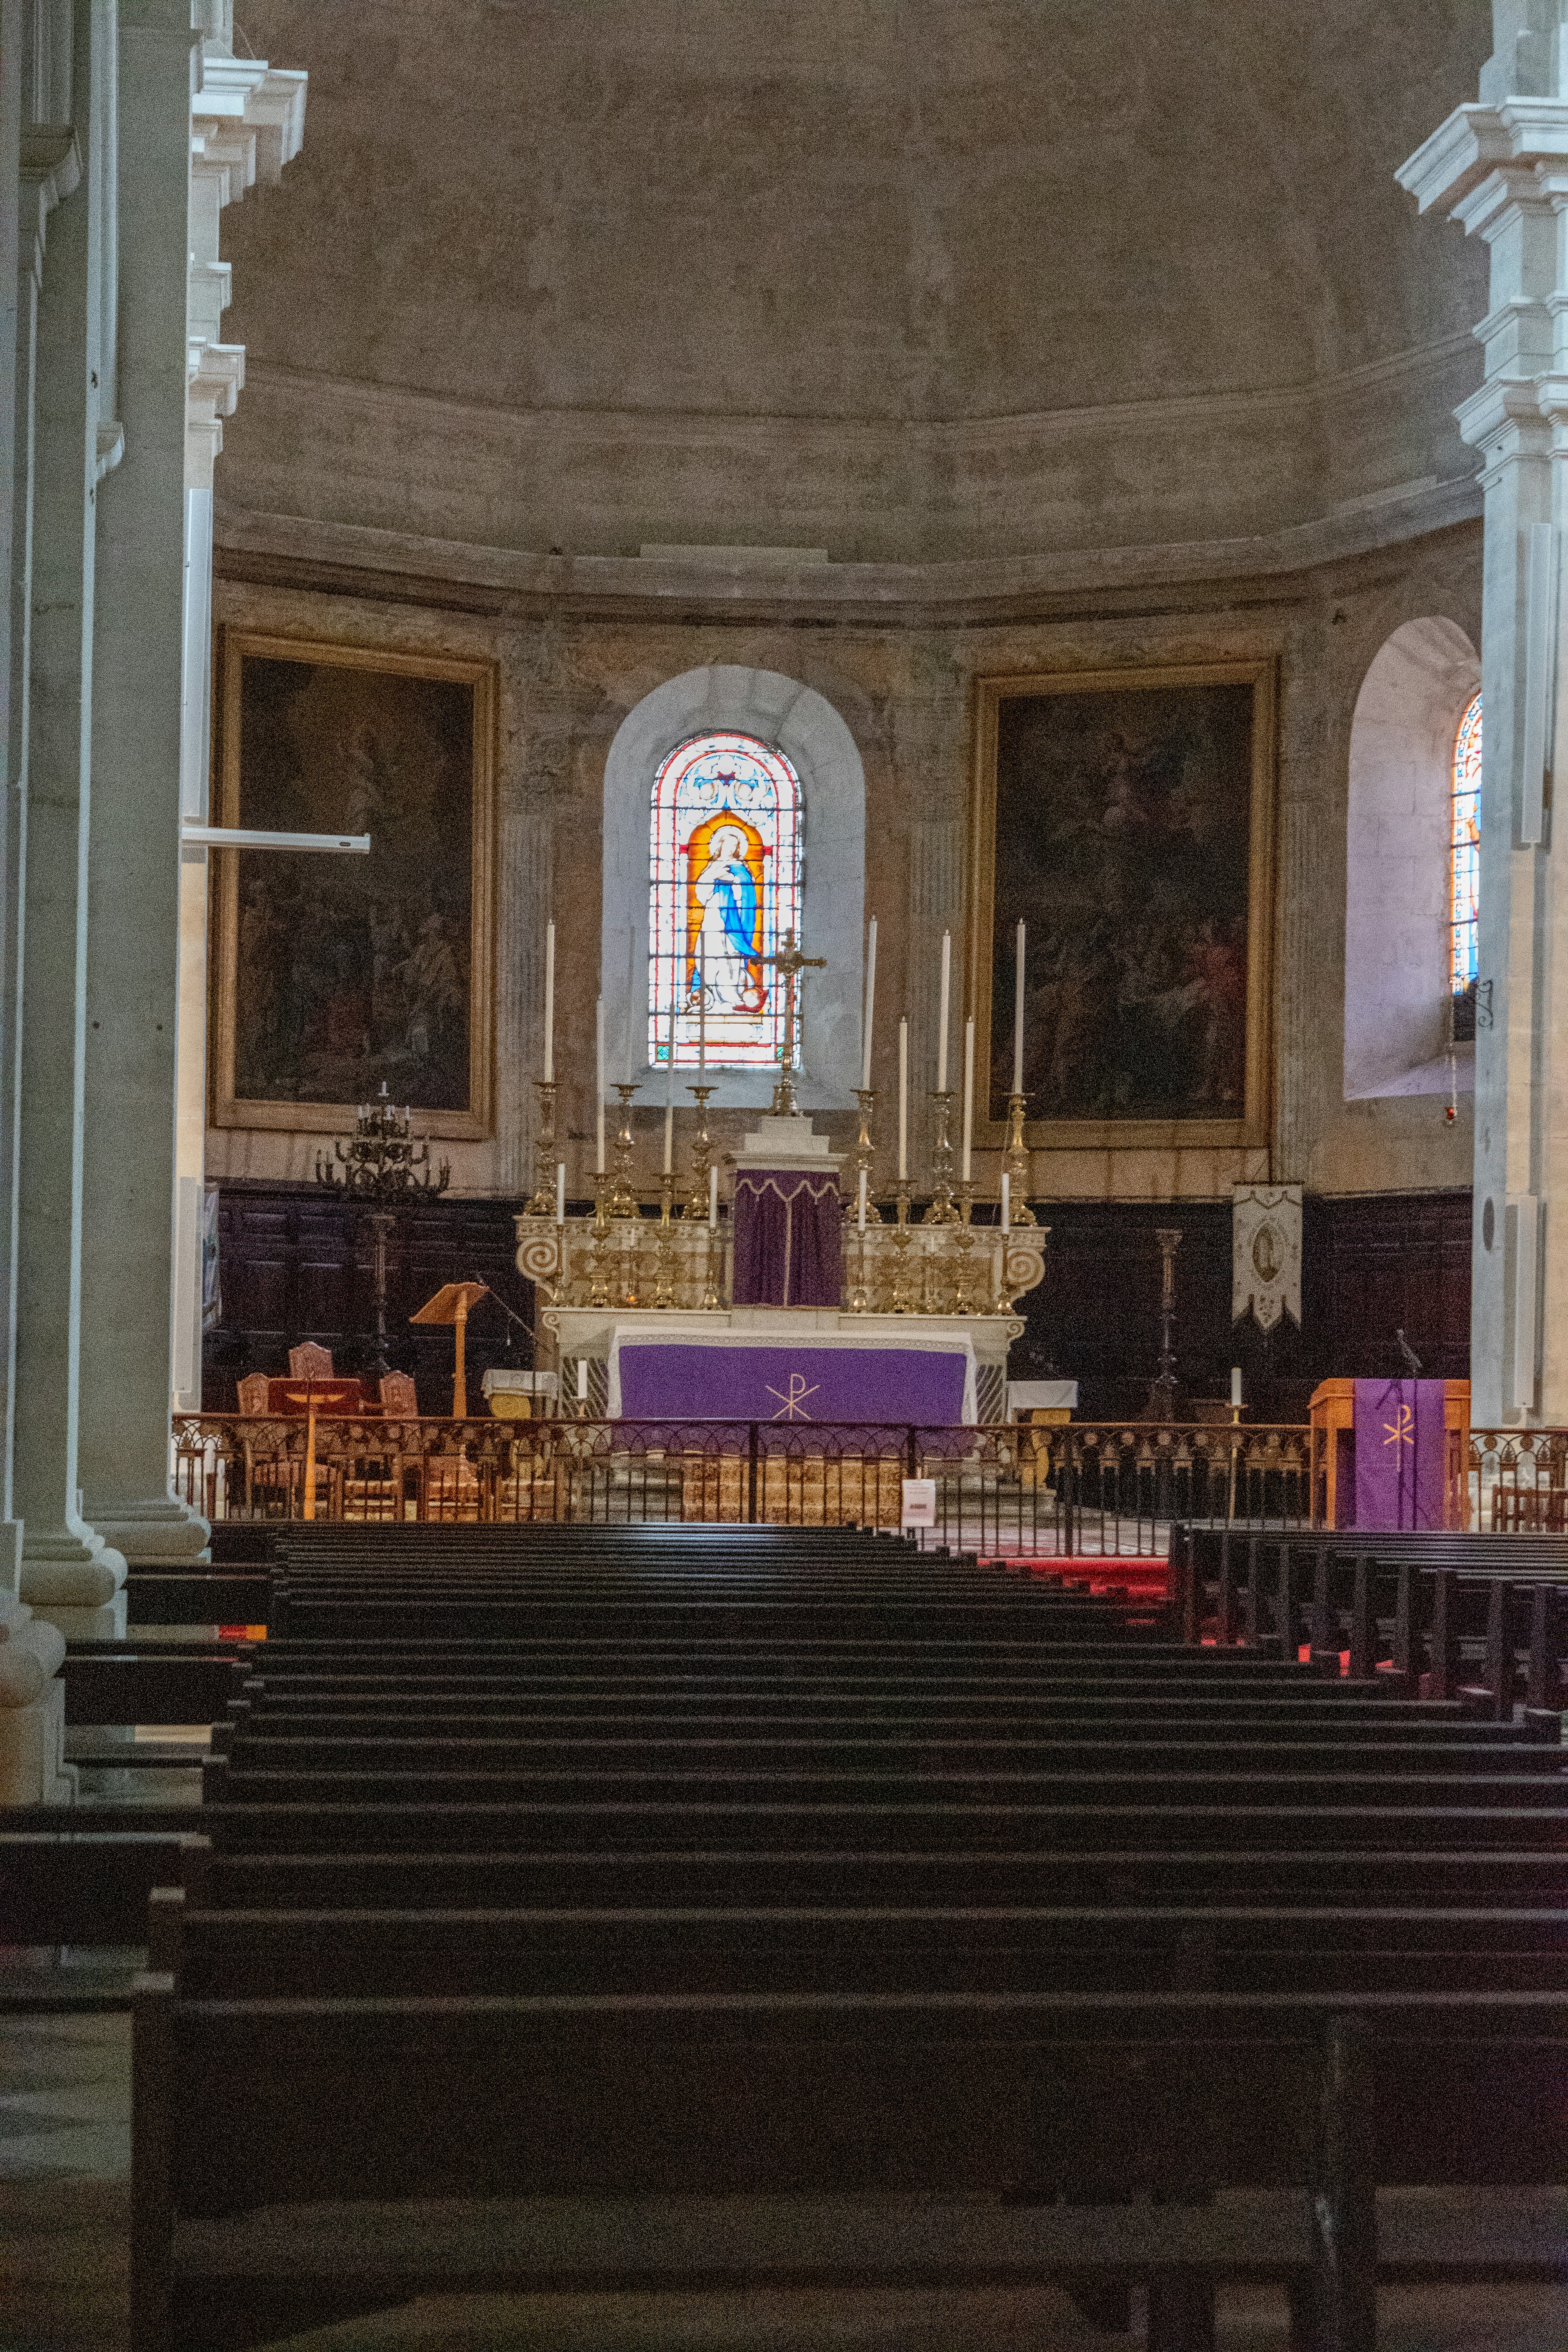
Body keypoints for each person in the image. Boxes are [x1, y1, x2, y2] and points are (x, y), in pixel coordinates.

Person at [688, 822, 762, 1013]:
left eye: (735, 846)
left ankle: (731, 998)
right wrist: (714, 877)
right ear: (720, 845)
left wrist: (734, 881)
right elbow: (701, 894)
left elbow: (746, 893)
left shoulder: (740, 868)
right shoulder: (712, 866)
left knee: (731, 958)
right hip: (713, 916)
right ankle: (710, 996)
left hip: (733, 920)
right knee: (707, 954)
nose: (732, 848)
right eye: (729, 844)